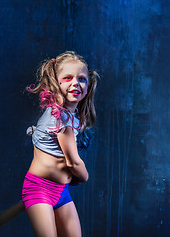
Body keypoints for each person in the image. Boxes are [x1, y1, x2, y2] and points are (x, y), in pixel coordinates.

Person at [22, 51, 99, 236]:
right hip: (39, 189)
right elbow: (74, 163)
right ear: (57, 83)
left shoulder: (70, 117)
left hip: (61, 191)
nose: (76, 83)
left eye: (82, 79)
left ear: (88, 86)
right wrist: (83, 176)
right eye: (68, 78)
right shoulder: (60, 117)